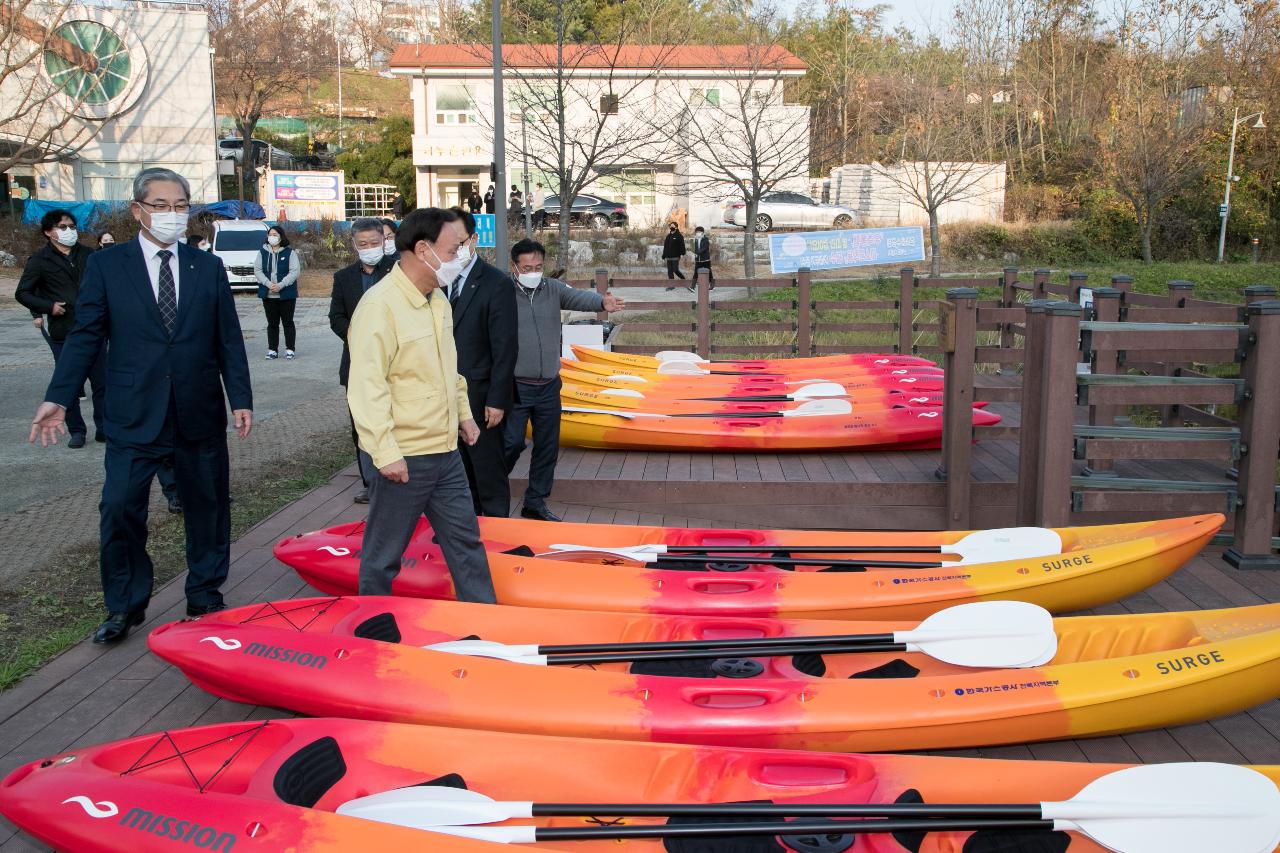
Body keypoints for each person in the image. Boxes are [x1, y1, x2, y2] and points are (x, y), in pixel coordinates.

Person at [28, 167, 253, 644]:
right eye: (161, 206)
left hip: (197, 408)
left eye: (180, 207)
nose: (172, 215)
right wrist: (58, 396)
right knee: (119, 509)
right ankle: (125, 605)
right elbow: (87, 335)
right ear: (137, 210)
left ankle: (205, 592)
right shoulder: (109, 267)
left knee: (208, 507)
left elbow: (228, 340)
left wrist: (241, 399)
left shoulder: (206, 266)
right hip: (134, 414)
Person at [347, 207, 495, 601]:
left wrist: (463, 414)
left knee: (466, 544)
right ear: (423, 249)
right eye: (456, 248)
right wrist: (385, 452)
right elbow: (365, 387)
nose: (463, 255)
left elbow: (449, 370)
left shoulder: (437, 301)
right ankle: (371, 625)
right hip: (404, 458)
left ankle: (487, 624)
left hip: (445, 451)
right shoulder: (380, 307)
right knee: (383, 557)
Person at [504, 239, 625, 521]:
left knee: (547, 447)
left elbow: (579, 298)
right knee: (510, 443)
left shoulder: (552, 289)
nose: (533, 272)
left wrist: (602, 301)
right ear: (514, 267)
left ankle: (535, 502)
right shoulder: (502, 291)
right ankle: (490, 491)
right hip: (515, 385)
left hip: (548, 385)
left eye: (537, 266)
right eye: (526, 267)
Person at [447, 208, 517, 517]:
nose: (452, 251)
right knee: (454, 478)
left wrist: (497, 400)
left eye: (458, 243)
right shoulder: (435, 281)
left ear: (474, 239)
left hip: (481, 397)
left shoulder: (494, 282)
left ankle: (498, 535)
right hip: (444, 398)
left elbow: (505, 348)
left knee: (487, 474)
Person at [15, 209, 106, 448]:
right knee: (71, 384)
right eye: (62, 227)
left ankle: (105, 428)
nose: (69, 231)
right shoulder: (39, 261)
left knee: (103, 383)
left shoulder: (90, 255)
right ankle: (77, 431)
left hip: (95, 328)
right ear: (49, 232)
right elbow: (23, 293)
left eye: (72, 226)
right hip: (64, 330)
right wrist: (48, 307)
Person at [329, 218, 396, 504]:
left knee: (395, 421)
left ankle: (397, 477)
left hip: (394, 363)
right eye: (363, 244)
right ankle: (371, 482)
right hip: (357, 363)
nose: (369, 248)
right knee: (362, 425)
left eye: (375, 243)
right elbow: (336, 317)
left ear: (384, 241)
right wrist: (360, 337)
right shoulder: (343, 278)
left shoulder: (397, 272)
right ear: (354, 245)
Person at [254, 225, 300, 360]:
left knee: (288, 322)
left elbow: (294, 271)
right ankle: (272, 349)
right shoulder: (262, 252)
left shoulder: (289, 253)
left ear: (281, 237)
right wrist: (268, 284)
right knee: (272, 323)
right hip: (268, 294)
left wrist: (281, 285)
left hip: (286, 294)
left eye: (274, 234)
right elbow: (258, 270)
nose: (271, 237)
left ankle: (290, 349)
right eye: (270, 234)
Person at [662, 221, 686, 290]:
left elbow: (682, 245)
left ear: (676, 227)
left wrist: (682, 253)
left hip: (675, 256)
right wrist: (664, 255)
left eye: (672, 226)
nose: (671, 227)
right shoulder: (668, 236)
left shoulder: (679, 236)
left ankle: (683, 279)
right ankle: (671, 286)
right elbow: (665, 246)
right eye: (670, 226)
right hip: (668, 257)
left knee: (675, 270)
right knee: (670, 271)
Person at [691, 225, 715, 292]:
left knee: (709, 272)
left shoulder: (706, 239)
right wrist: (694, 253)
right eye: (696, 232)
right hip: (698, 260)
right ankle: (692, 286)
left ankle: (712, 285)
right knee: (695, 273)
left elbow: (704, 249)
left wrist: (697, 253)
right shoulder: (695, 240)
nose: (697, 233)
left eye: (699, 232)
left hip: (705, 259)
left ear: (702, 232)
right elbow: (693, 248)